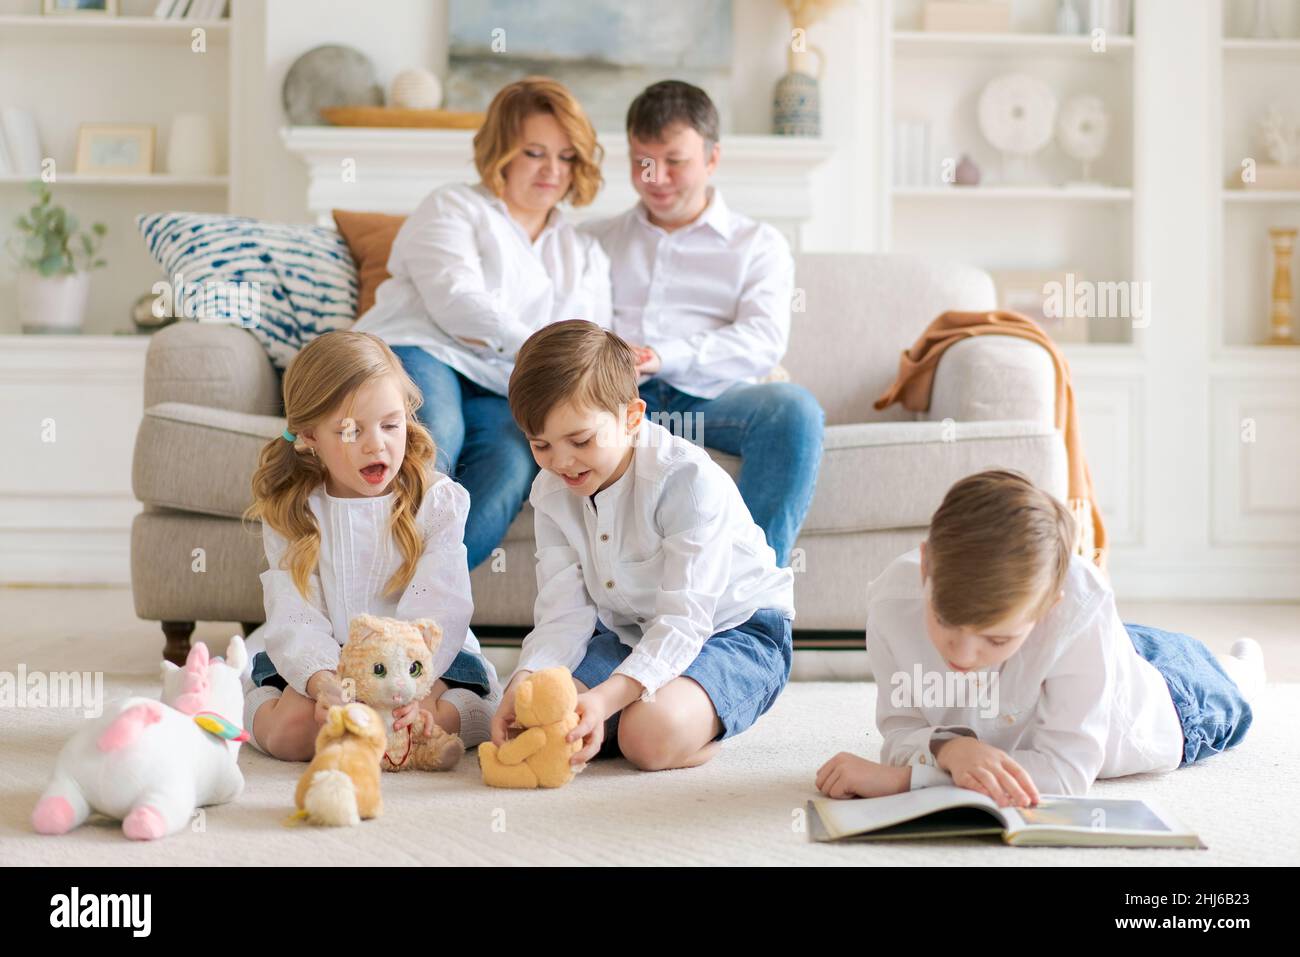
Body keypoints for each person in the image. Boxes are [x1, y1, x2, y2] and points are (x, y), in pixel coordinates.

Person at [815, 470, 1262, 803]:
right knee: (1117, 644)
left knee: (1226, 679)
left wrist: (909, 781)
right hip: (1078, 659)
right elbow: (901, 732)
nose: (964, 655)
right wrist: (952, 748)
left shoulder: (1078, 608)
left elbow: (1065, 775)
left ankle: (1244, 666)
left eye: (995, 641)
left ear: (1049, 608)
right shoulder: (894, 600)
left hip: (1171, 704)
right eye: (947, 623)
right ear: (927, 567)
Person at [491, 320, 796, 771]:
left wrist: (607, 699)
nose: (561, 462)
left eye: (580, 440)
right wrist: (525, 679)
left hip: (733, 632)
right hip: (630, 634)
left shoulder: (686, 481)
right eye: (541, 445)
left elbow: (684, 620)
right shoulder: (551, 492)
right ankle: (629, 709)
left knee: (646, 738)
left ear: (632, 417)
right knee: (544, 714)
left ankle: (693, 729)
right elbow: (562, 614)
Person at [354, 76, 611, 570]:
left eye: (566, 156)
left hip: (505, 385)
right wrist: (542, 348)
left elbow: (587, 341)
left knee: (513, 465)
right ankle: (356, 592)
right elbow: (457, 302)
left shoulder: (585, 252)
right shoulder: (452, 206)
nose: (552, 170)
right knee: (436, 436)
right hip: (425, 350)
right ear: (502, 151)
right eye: (535, 152)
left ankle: (421, 607)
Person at [581, 79, 824, 567]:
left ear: (712, 159)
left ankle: (748, 591)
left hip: (714, 398)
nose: (656, 177)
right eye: (641, 161)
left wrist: (662, 356)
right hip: (620, 403)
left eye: (675, 160)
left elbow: (762, 340)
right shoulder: (595, 241)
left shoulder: (759, 244)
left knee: (793, 410)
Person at [242, 331, 500, 761]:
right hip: (330, 660)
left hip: (417, 663)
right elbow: (296, 615)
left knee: (422, 720)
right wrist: (325, 683)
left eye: (390, 425)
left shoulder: (436, 501)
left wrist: (407, 680)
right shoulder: (294, 509)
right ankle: (238, 699)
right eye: (350, 430)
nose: (376, 443)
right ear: (309, 436)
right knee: (290, 736)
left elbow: (441, 607)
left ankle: (471, 710)